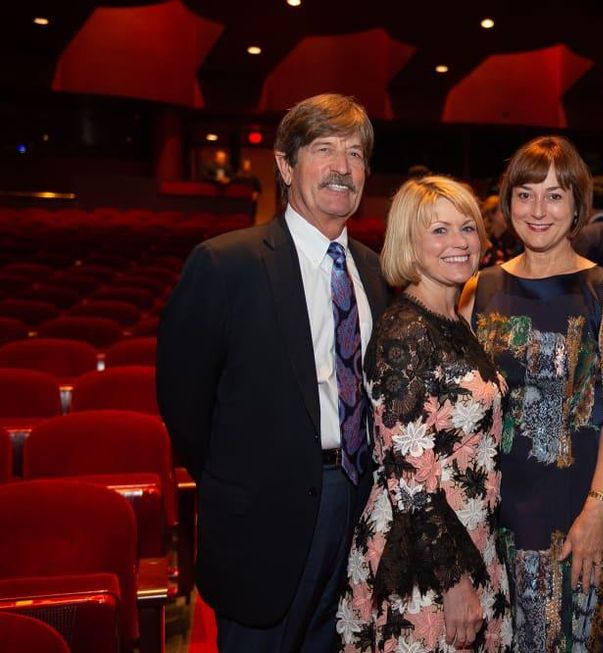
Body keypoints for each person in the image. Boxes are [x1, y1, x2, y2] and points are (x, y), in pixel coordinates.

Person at [157, 94, 391, 652]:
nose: (342, 167)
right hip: (262, 518)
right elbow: (184, 403)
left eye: (355, 154)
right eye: (324, 150)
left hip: (357, 504)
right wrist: (241, 476)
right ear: (285, 166)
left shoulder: (373, 269)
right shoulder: (225, 264)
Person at [460, 135, 603, 651]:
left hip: (579, 514)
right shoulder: (478, 288)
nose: (538, 210)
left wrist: (597, 510)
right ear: (506, 201)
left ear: (578, 205)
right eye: (525, 194)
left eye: (555, 195)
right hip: (496, 518)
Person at [337, 176, 512, 652]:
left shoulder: (453, 318)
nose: (459, 243)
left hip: (471, 535)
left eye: (467, 228)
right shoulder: (404, 333)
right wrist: (454, 583)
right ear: (409, 243)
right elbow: (409, 477)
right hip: (424, 556)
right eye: (439, 231)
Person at [479, 194, 522, 268]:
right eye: (504, 211)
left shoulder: (509, 242)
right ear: (492, 214)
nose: (509, 215)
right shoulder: (482, 242)